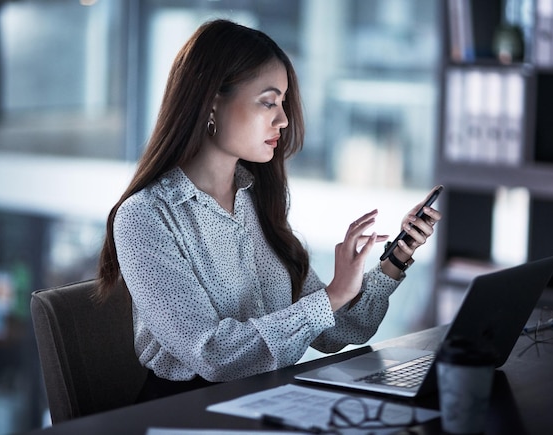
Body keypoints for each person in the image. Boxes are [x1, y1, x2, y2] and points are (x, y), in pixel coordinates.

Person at [96, 19, 441, 403]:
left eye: (283, 103)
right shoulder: (145, 217)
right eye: (268, 102)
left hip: (269, 400)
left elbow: (336, 332)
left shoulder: (257, 200)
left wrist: (395, 259)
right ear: (212, 100)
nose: (284, 119)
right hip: (187, 412)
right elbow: (214, 355)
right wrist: (329, 298)